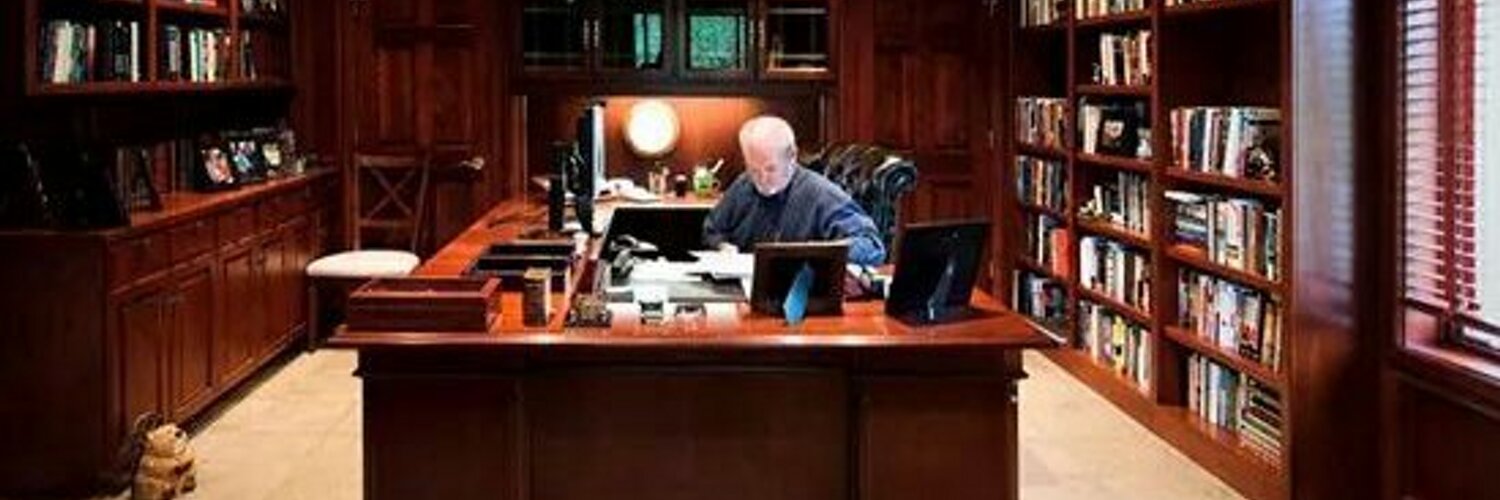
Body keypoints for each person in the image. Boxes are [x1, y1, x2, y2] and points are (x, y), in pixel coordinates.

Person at [702, 116, 887, 266]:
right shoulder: (744, 184)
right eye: (754, 169)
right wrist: (722, 246)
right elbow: (713, 229)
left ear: (792, 157)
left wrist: (813, 254)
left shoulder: (821, 194)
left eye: (771, 169)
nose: (762, 179)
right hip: (741, 290)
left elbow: (871, 246)